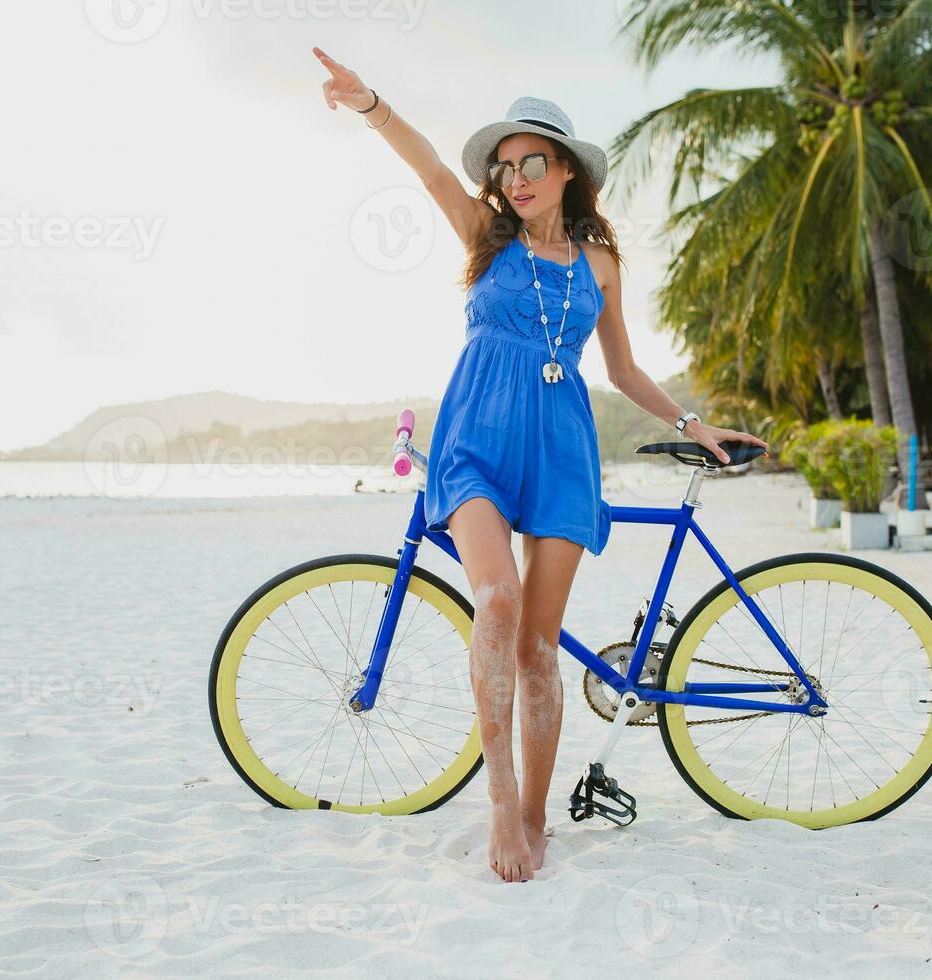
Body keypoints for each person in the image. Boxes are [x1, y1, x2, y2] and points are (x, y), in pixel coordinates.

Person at [315, 48, 769, 883]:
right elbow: (424, 167)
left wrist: (695, 424)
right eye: (504, 167)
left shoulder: (600, 264)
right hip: (478, 441)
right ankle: (499, 801)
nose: (515, 178)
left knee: (539, 647)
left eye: (532, 164)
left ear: (566, 170)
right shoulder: (487, 240)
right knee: (495, 598)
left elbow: (625, 371)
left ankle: (534, 815)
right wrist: (371, 102)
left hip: (562, 450)